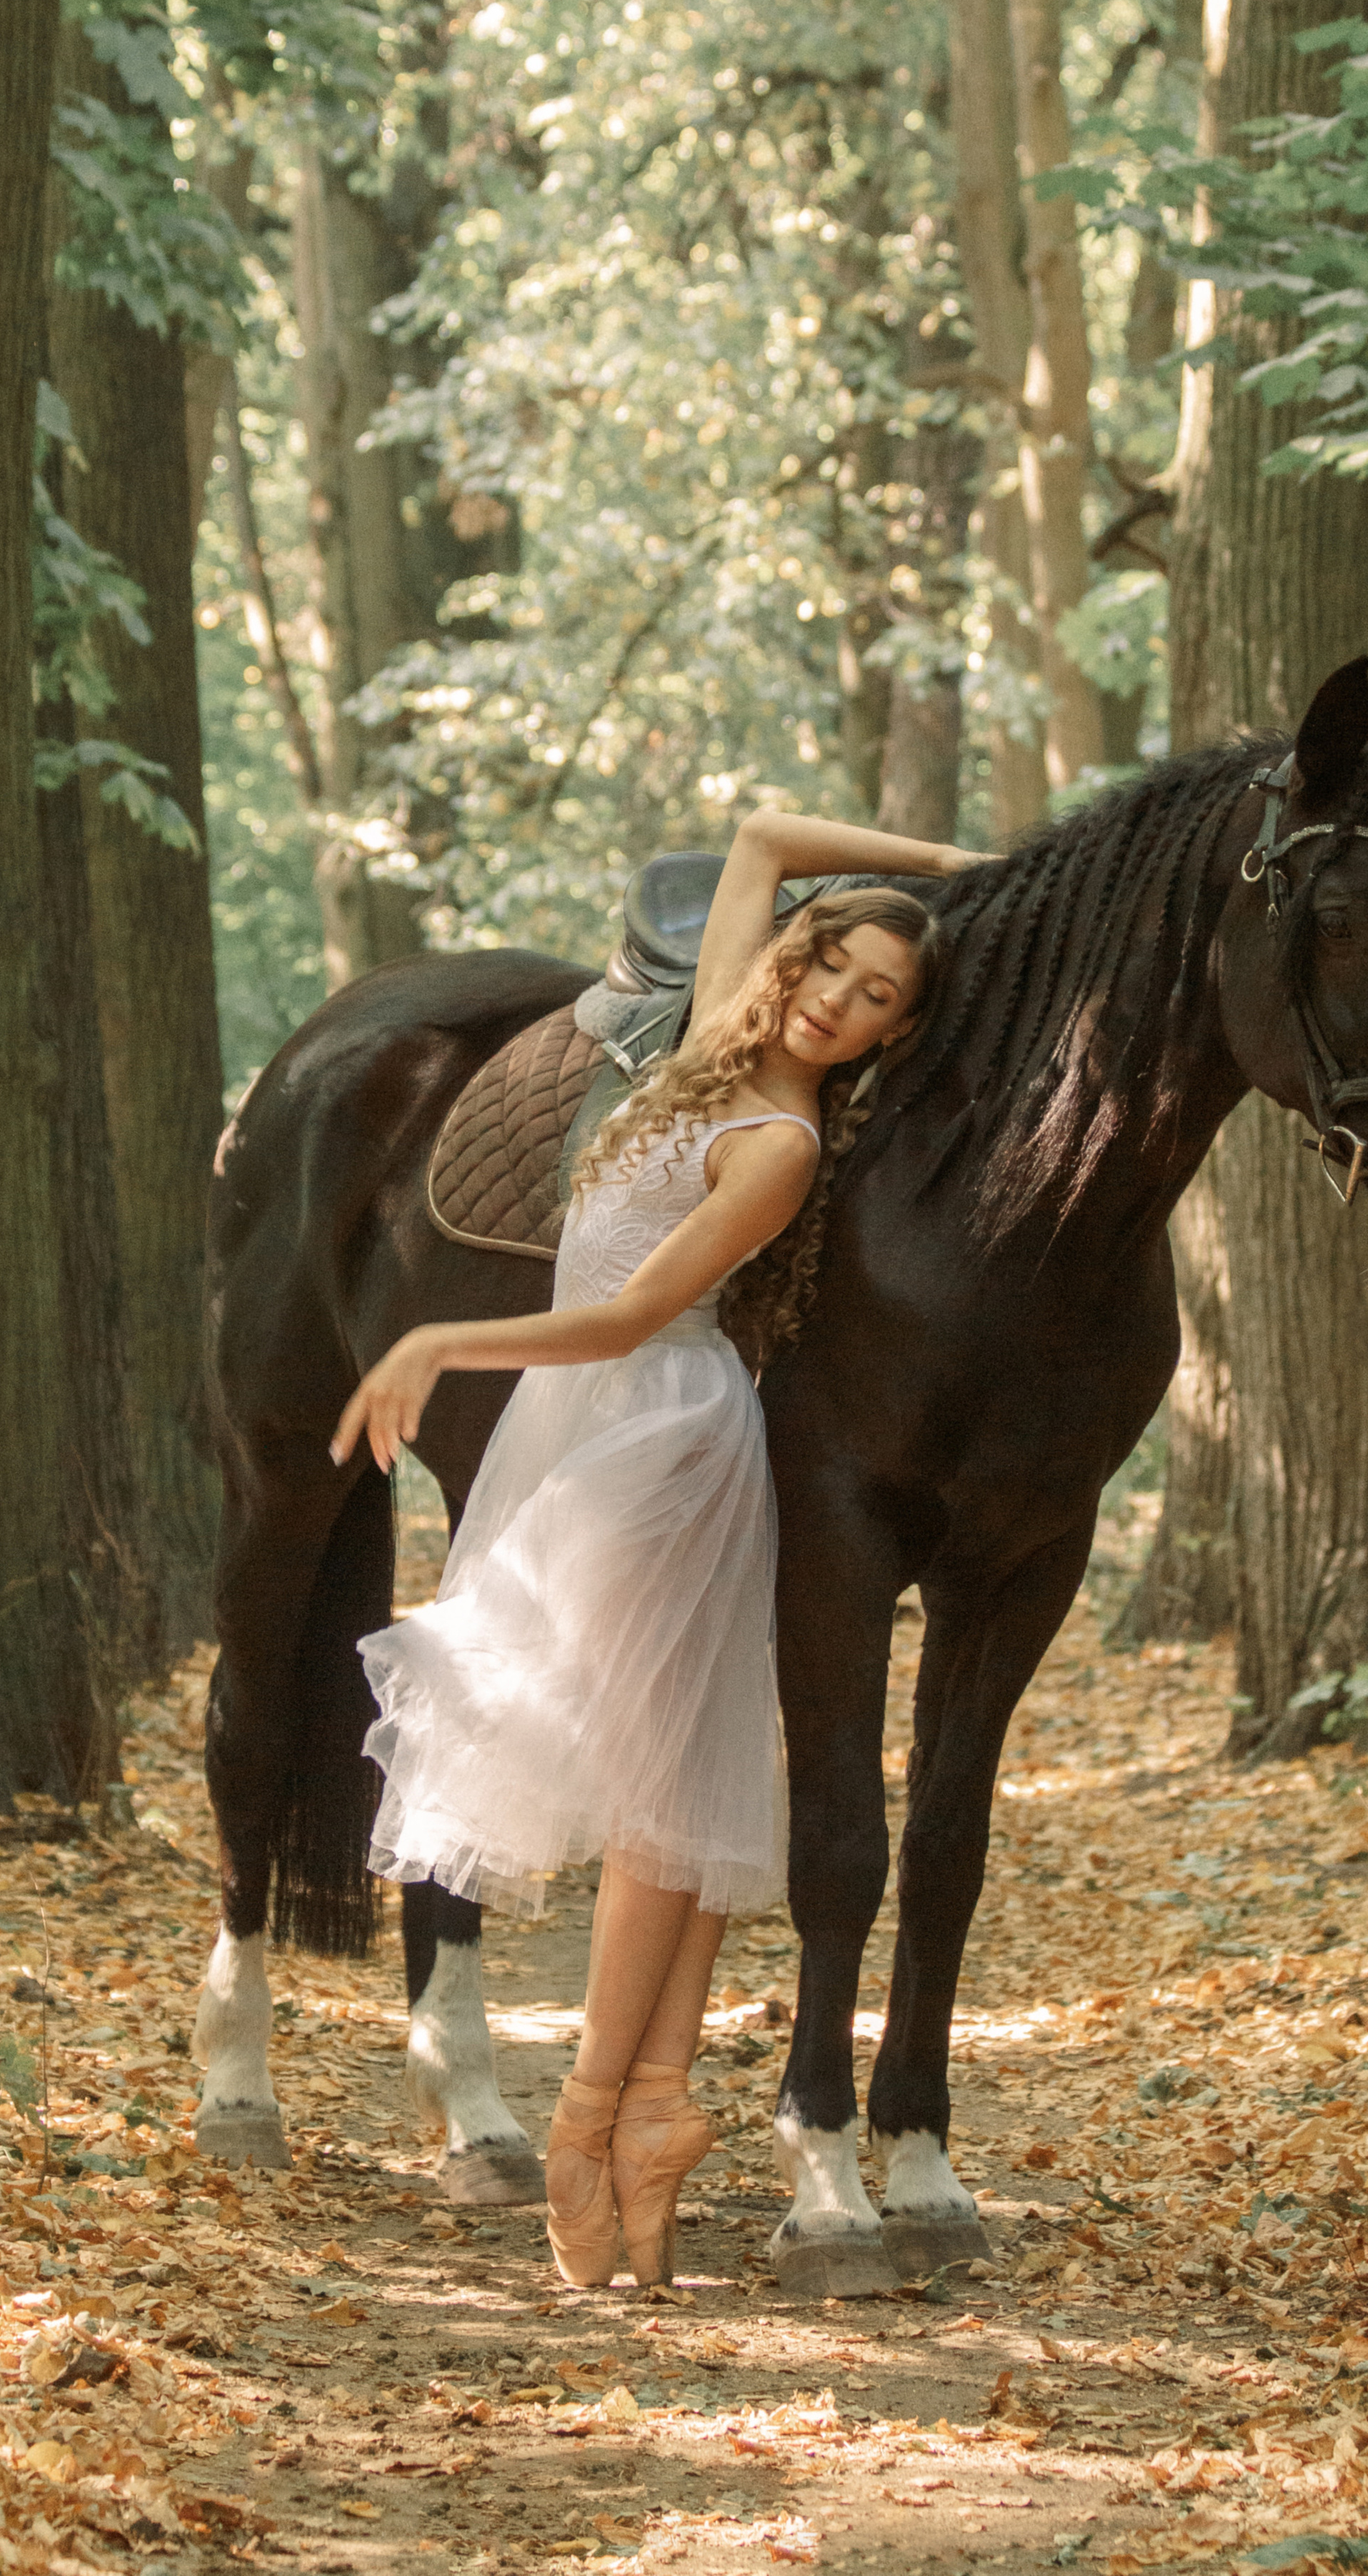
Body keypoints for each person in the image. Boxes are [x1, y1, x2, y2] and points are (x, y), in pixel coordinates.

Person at [329, 806, 986, 2288]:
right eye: (835, 968)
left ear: (889, 1036)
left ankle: (581, 2123)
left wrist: (442, 1332)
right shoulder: (709, 1040)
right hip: (604, 1422)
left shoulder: (776, 1140)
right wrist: (950, 875)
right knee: (683, 1788)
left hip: (658, 1428)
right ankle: (660, 2110)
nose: (840, 1003)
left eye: (880, 1000)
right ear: (797, 955)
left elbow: (628, 1317)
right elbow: (758, 833)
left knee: (651, 1798)